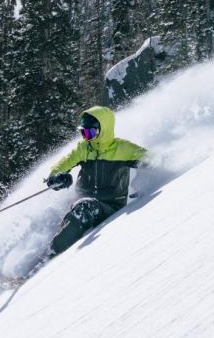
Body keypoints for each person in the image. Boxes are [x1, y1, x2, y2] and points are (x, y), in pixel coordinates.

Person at [44, 105, 147, 255]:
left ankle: (52, 257)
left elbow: (152, 160)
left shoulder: (124, 149)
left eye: (90, 133)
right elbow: (62, 164)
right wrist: (57, 177)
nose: (87, 137)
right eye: (83, 133)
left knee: (84, 208)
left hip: (110, 206)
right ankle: (42, 255)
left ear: (103, 130)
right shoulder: (84, 149)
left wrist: (144, 183)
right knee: (64, 215)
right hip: (83, 201)